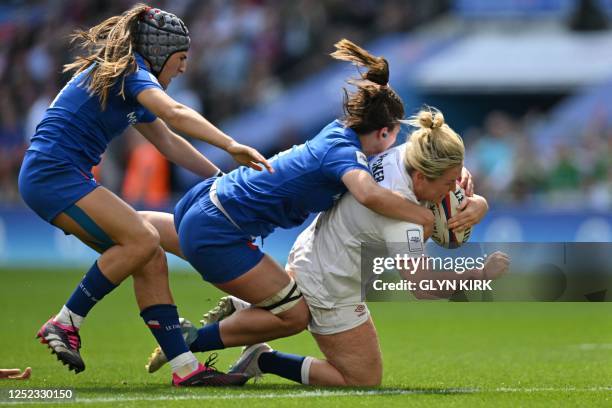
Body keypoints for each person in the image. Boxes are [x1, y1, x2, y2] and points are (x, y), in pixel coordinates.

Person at [139, 41, 475, 372]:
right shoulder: (350, 159)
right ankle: (193, 342)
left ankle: (239, 307)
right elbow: (372, 197)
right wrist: (426, 222)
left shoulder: (350, 140)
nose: (395, 146)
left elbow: (421, 169)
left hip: (225, 206)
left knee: (140, 231)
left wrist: (478, 203)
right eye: (394, 136)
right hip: (235, 228)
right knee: (308, 330)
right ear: (385, 131)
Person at [18, 4, 270, 386]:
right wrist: (231, 144)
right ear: (160, 52)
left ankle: (186, 370)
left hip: (58, 175)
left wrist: (220, 177)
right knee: (143, 239)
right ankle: (65, 322)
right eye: (181, 58)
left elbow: (168, 142)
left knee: (150, 253)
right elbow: (175, 113)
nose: (183, 67)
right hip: (55, 176)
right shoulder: (134, 72)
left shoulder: (126, 78)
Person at [162, 108, 507, 386]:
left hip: (317, 248)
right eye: (448, 184)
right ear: (420, 178)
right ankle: (254, 356)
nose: (452, 190)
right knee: (361, 379)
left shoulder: (408, 152)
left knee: (300, 318)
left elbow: (451, 187)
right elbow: (424, 286)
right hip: (330, 280)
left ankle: (241, 308)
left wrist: (479, 202)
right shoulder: (403, 215)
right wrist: (480, 275)